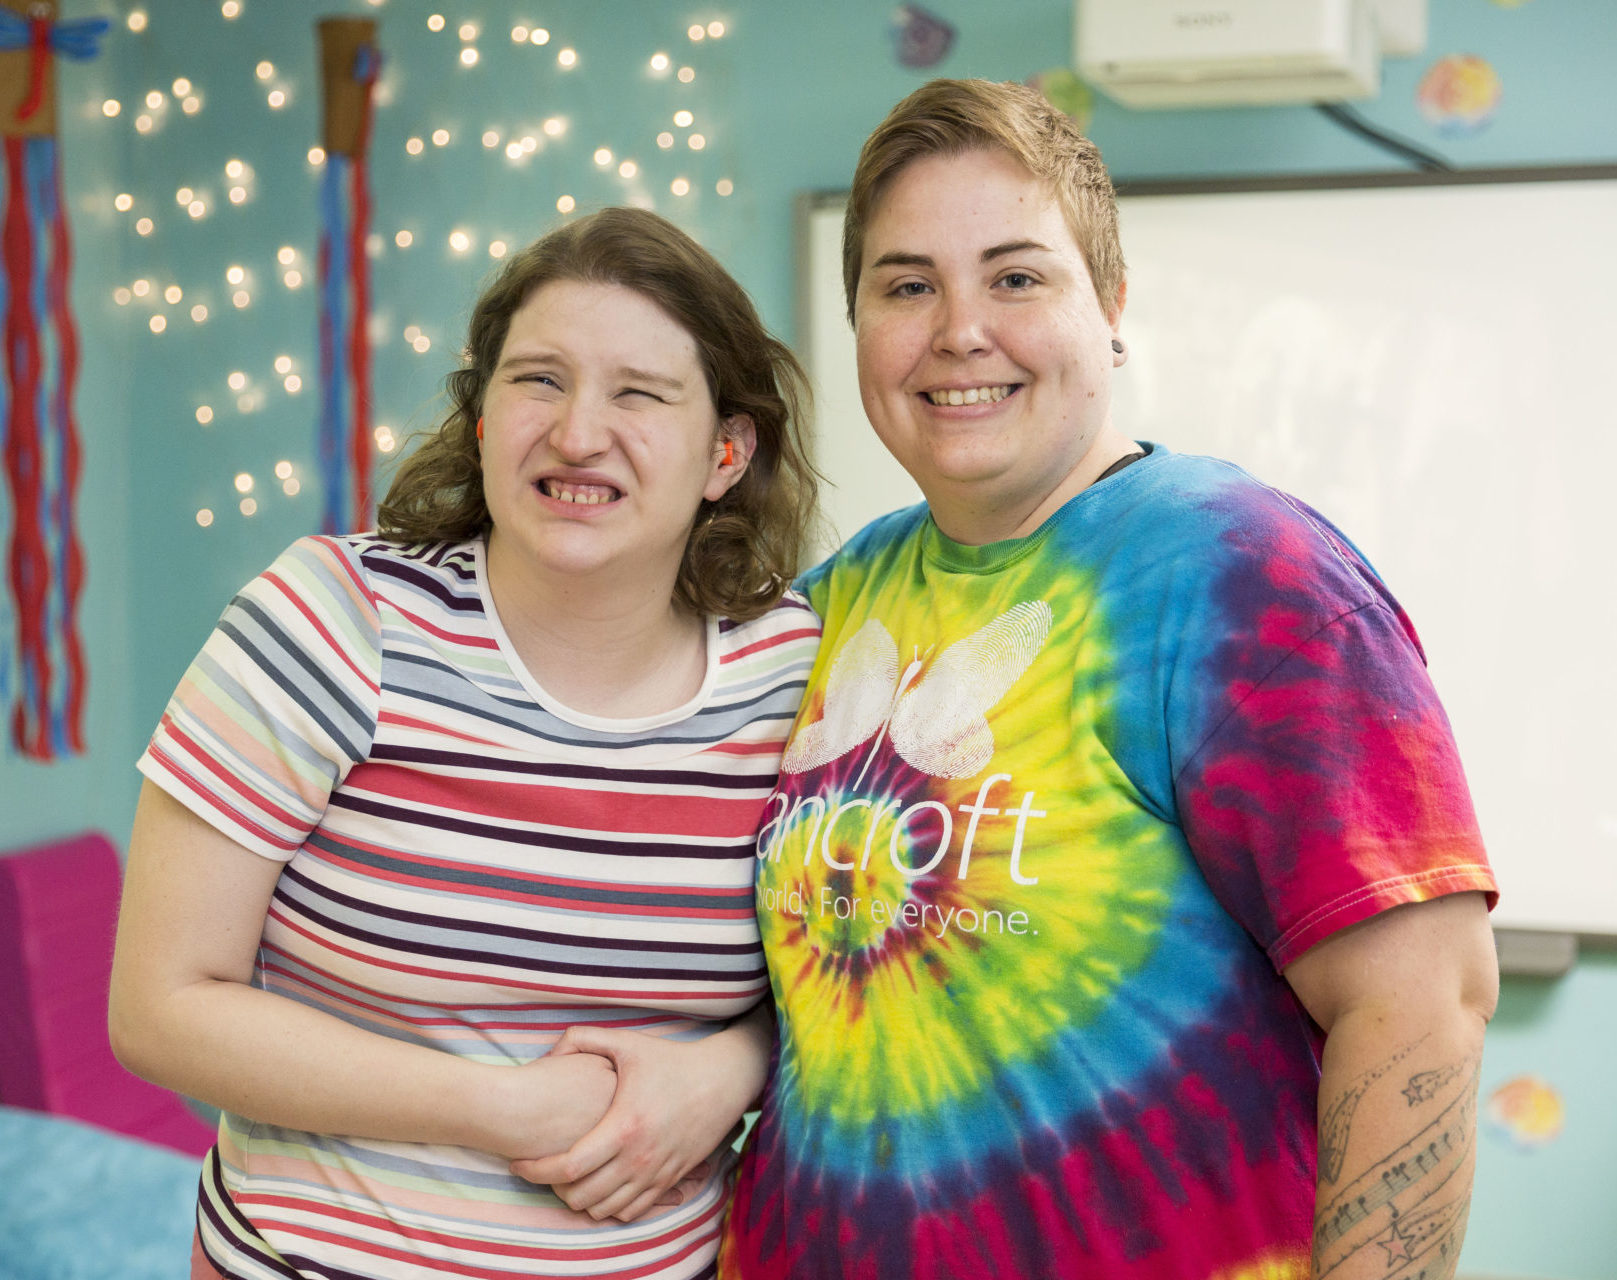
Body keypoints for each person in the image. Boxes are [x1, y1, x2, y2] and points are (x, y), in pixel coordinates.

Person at [718, 79, 1499, 1280]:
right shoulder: (834, 602)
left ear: (1113, 305)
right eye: (907, 283)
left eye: (1017, 276)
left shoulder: (1247, 575)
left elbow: (1423, 1002)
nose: (959, 328)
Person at [109, 207, 821, 1280]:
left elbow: (860, 981)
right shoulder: (336, 619)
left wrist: (737, 1068)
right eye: (538, 379)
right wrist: (508, 1106)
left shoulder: (796, 676)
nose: (579, 432)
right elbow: (161, 1006)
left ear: (727, 451)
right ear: (482, 417)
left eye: (640, 391)